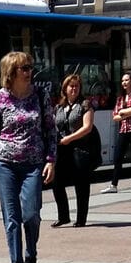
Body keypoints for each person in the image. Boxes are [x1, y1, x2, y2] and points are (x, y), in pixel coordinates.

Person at [0, 52, 56, 263]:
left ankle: (31, 251)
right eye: (24, 68)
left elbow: (51, 130)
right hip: (4, 163)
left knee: (31, 215)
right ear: (11, 72)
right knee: (12, 218)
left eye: (30, 67)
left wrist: (51, 160)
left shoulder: (40, 95)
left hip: (33, 163)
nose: (29, 72)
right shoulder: (0, 98)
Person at [51, 73, 95, 227]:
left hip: (80, 149)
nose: (74, 89)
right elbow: (54, 125)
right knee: (57, 183)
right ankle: (63, 216)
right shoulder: (59, 106)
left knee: (81, 185)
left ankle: (81, 219)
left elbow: (87, 127)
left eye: (77, 86)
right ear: (65, 88)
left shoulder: (85, 105)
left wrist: (69, 139)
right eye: (71, 86)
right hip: (62, 150)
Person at [102, 71, 131, 194]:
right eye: (122, 81)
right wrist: (126, 113)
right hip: (123, 130)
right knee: (118, 157)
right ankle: (113, 185)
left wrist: (122, 112)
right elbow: (114, 116)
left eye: (126, 80)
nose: (124, 83)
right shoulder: (120, 98)